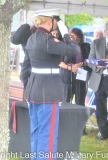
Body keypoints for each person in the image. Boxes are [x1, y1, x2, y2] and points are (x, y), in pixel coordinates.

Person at [23, 14, 79, 160]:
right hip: (47, 92)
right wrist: (66, 33)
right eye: (55, 21)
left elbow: (27, 65)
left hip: (33, 89)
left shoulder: (31, 38)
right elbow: (74, 49)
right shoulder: (48, 40)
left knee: (36, 132)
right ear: (49, 22)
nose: (56, 24)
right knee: (47, 134)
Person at [59, 28, 91, 105]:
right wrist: (70, 68)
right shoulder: (64, 46)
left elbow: (90, 60)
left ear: (79, 37)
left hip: (81, 76)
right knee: (66, 102)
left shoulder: (86, 46)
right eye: (69, 35)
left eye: (73, 35)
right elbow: (59, 62)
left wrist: (81, 64)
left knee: (80, 102)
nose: (71, 37)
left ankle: (79, 116)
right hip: (67, 77)